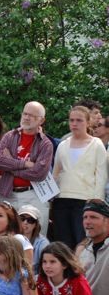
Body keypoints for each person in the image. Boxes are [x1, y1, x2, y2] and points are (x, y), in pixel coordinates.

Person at [52, 106, 107, 249]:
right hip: (61, 200)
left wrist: (97, 200)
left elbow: (101, 174)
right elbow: (56, 173)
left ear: (88, 122)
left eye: (79, 120)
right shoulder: (63, 145)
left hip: (85, 201)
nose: (74, 124)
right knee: (63, 245)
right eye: (71, 120)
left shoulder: (97, 144)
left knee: (82, 243)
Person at [0, 101, 53, 234]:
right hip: (7, 194)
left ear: (41, 120)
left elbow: (39, 173)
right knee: (4, 237)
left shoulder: (45, 144)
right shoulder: (9, 136)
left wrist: (10, 164)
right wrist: (25, 164)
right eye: (25, 113)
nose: (26, 117)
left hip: (33, 195)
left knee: (34, 238)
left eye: (32, 115)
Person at [76, 199, 109, 295]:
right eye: (85, 217)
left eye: (94, 217)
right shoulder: (83, 251)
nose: (87, 222)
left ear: (107, 221)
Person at [18, 204, 49, 274]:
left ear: (35, 224)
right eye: (22, 219)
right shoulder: (9, 238)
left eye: (30, 220)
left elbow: (46, 268)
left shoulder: (43, 243)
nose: (25, 222)